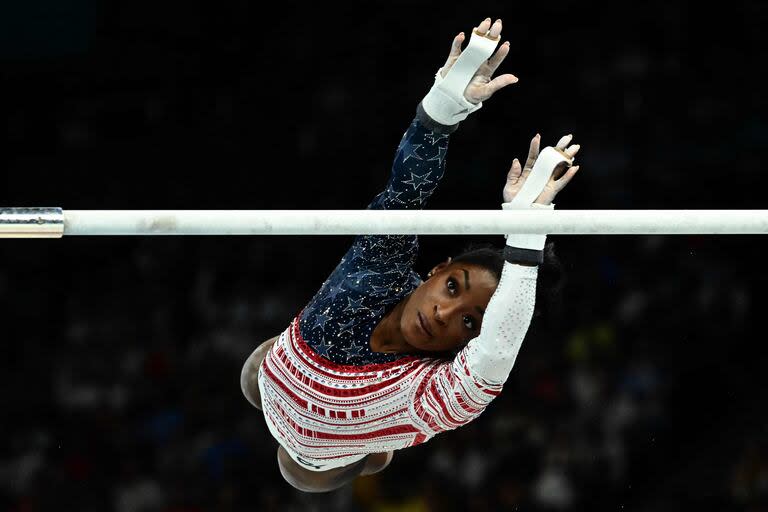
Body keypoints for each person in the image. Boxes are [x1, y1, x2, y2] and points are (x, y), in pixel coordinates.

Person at [240, 17, 581, 492]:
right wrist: (441, 109)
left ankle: (369, 453)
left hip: (322, 458)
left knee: (323, 471)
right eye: (452, 288)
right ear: (438, 270)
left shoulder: (428, 394)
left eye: (469, 323)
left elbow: (496, 354)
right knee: (254, 376)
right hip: (273, 376)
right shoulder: (378, 270)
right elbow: (405, 192)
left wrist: (526, 240)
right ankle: (296, 398)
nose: (444, 313)